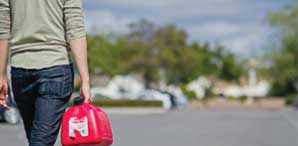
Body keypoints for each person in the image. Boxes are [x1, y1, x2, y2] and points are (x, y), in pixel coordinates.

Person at [0, 0, 93, 145]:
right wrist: (85, 80)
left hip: (20, 69)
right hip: (55, 67)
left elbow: (3, 28)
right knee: (40, 141)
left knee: (37, 139)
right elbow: (74, 26)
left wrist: (1, 75)